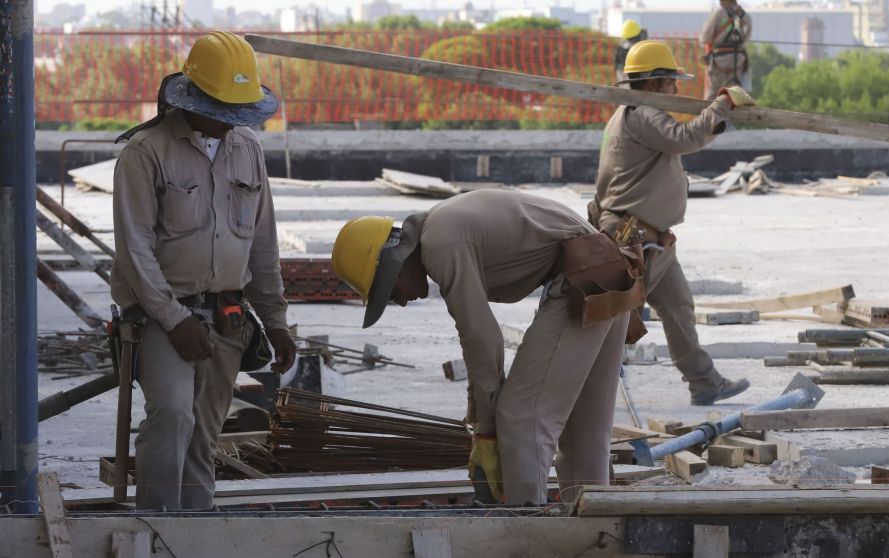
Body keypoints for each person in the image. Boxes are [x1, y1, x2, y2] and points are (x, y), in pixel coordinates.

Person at [332, 189, 644, 505]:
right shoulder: (441, 227)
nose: (399, 302)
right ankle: (596, 526)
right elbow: (478, 347)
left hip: (584, 279)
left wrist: (486, 432)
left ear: (394, 264)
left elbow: (481, 339)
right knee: (584, 434)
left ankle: (526, 524)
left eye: (389, 292)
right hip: (608, 273)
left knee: (522, 417)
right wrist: (480, 415)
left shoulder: (441, 245)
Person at [111, 31, 297, 511]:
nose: (232, 121)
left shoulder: (247, 149)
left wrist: (276, 322)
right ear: (192, 97)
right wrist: (175, 320)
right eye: (223, 109)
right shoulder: (145, 153)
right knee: (173, 415)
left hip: (227, 317)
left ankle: (194, 528)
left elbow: (262, 244)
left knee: (204, 435)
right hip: (160, 316)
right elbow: (135, 251)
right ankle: (155, 526)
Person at [591, 40, 755, 406]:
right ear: (652, 83)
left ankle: (705, 382)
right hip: (636, 237)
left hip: (650, 238)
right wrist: (721, 106)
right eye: (670, 82)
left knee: (679, 308)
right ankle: (585, 388)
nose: (676, 90)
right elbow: (686, 137)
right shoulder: (644, 114)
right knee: (615, 320)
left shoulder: (625, 114)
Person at [699, 0, 753, 100]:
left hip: (719, 59)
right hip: (739, 61)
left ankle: (710, 110)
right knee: (735, 96)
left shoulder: (719, 13)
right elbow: (746, 39)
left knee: (712, 95)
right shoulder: (746, 16)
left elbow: (705, 37)